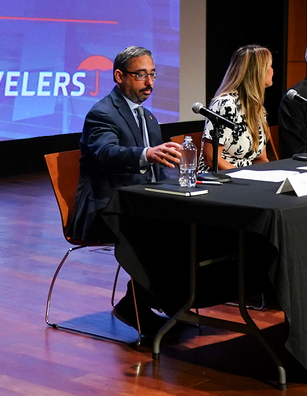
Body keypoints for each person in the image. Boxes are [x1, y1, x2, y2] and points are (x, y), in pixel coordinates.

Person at [69, 45, 185, 339]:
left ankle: (167, 300)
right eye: (140, 75)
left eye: (153, 75)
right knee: (159, 234)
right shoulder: (102, 114)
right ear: (119, 76)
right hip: (105, 208)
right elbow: (107, 154)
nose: (149, 83)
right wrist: (147, 153)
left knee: (189, 225)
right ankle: (135, 307)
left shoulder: (147, 118)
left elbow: (156, 170)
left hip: (139, 204)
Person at [203, 45, 273, 170]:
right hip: (221, 179)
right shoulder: (226, 104)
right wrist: (245, 177)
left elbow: (260, 158)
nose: (272, 71)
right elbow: (211, 158)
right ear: (259, 71)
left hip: (246, 177)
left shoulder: (257, 107)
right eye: (270, 66)